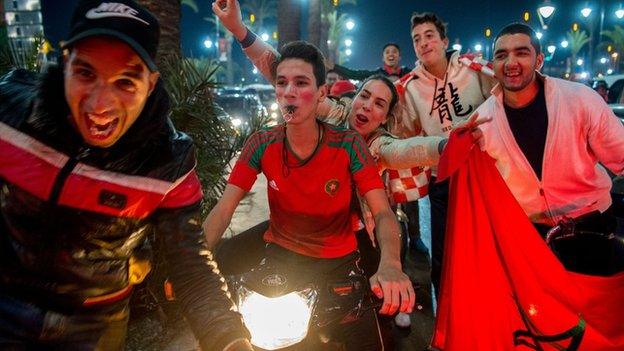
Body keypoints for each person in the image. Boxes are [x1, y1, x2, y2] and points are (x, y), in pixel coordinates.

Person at [0, 1, 252, 350]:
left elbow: (191, 266)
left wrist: (229, 339)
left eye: (126, 81)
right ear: (64, 63)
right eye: (85, 73)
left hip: (95, 323)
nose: (101, 104)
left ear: (151, 84)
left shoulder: (167, 162)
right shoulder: (12, 114)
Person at [475, 23, 624, 274]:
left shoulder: (580, 99)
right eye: (501, 55)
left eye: (521, 52)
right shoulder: (483, 120)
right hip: (530, 239)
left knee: (594, 312)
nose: (511, 62)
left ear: (539, 60)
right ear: (493, 64)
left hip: (592, 229)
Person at [392, 12, 497, 297]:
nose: (423, 43)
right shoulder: (410, 87)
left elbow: (501, 98)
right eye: (417, 39)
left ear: (444, 41)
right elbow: (407, 132)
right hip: (444, 176)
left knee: (489, 245)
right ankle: (446, 321)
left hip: (485, 172)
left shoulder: (473, 69)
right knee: (443, 251)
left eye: (429, 36)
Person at [329, 42, 412, 83]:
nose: (391, 54)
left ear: (400, 57)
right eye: (387, 52)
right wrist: (333, 67)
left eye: (394, 51)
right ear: (383, 58)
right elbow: (353, 74)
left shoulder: (409, 73)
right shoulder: (376, 75)